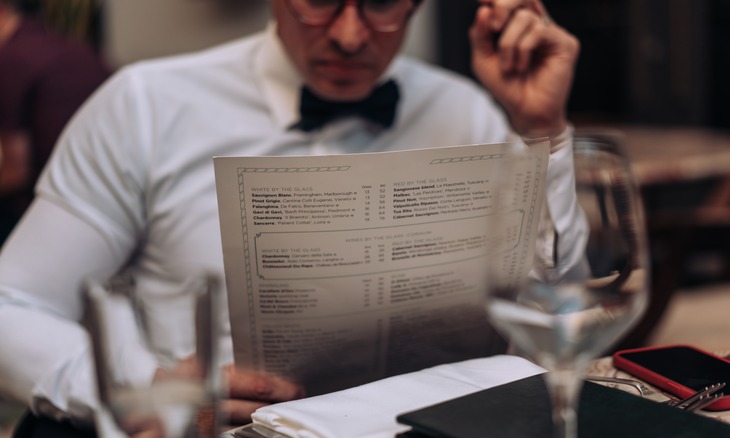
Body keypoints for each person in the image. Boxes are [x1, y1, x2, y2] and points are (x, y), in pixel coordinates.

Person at [0, 0, 582, 434]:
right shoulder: (145, 105)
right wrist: (142, 389)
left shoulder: (468, 112)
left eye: (380, 4)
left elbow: (565, 315)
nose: (351, 36)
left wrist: (541, 133)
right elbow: (11, 305)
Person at [0, 0, 112, 244]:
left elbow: (14, 173)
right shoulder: (74, 48)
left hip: (55, 212)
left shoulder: (11, 58)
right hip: (108, 201)